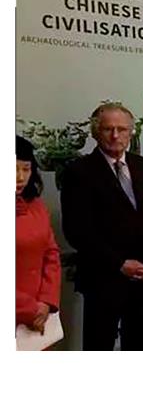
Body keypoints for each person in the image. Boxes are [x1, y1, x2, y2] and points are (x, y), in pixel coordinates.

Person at [61, 102, 143, 350]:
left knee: (140, 345)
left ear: (131, 132)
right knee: (99, 346)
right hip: (103, 277)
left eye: (122, 129)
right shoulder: (78, 171)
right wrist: (120, 263)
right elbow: (77, 230)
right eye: (108, 129)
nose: (115, 135)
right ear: (96, 132)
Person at [16, 135, 61, 337]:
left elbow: (51, 253)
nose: (20, 177)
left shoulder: (36, 206)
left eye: (26, 169)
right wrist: (29, 309)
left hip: (39, 316)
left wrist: (46, 300)